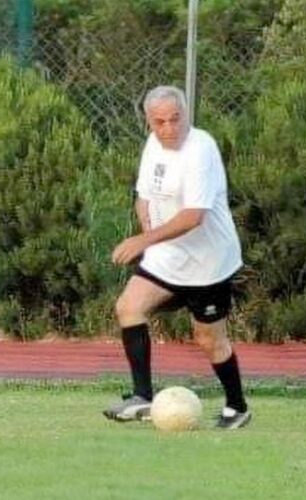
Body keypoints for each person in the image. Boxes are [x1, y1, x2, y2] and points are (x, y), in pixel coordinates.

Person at [103, 85, 251, 430]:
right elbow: (143, 195)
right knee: (128, 308)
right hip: (167, 257)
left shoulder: (202, 149)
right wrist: (150, 236)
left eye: (175, 119)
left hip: (208, 264)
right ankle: (143, 396)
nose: (169, 129)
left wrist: (143, 240)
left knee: (209, 340)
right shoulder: (153, 145)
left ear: (186, 114)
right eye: (160, 122)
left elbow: (193, 216)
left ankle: (237, 407)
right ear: (148, 122)